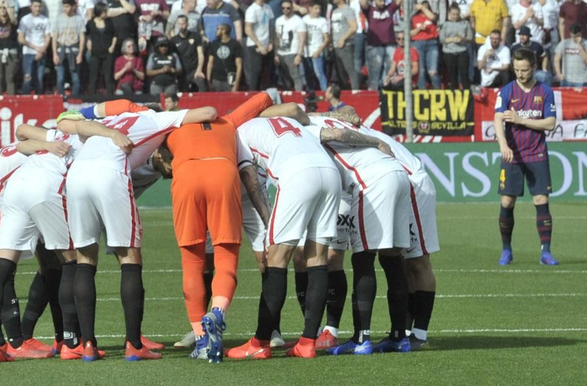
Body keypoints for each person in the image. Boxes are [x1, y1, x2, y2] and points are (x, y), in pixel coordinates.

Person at [64, 103, 218, 361]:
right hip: (110, 174)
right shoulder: (158, 119)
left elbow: (75, 124)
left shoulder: (116, 119)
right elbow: (209, 113)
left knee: (85, 259)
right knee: (130, 259)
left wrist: (108, 130)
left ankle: (87, 344)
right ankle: (134, 344)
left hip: (76, 176)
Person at [228, 113, 389, 359]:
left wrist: (269, 223)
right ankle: (307, 342)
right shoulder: (291, 124)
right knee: (318, 257)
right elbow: (337, 134)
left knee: (277, 257)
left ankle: (260, 342)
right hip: (330, 174)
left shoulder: (238, 133)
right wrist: (375, 141)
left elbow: (251, 181)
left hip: (297, 174)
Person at [149, 90, 283, 361]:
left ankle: (201, 340)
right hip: (223, 173)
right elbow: (264, 98)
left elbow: (141, 124)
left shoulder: (171, 125)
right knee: (225, 259)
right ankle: (218, 311)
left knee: (192, 263)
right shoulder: (229, 121)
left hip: (186, 175)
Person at [0, 121, 73, 363]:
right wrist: (49, 144)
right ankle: (14, 342)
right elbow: (26, 143)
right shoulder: (41, 147)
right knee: (2, 264)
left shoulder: (29, 147)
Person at [308, 112, 414, 355]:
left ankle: (361, 339)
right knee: (393, 258)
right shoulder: (332, 118)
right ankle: (399, 336)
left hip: (372, 180)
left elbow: (340, 135)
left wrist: (376, 142)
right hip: (397, 173)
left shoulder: (311, 127)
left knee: (363, 256)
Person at [494, 49, 559, 267]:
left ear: (533, 67)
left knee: (541, 200)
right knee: (507, 201)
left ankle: (546, 252)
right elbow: (497, 119)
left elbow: (550, 123)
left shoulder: (545, 92)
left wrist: (521, 120)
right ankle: (506, 250)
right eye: (517, 70)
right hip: (512, 155)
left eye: (524, 70)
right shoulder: (506, 91)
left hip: (537, 153)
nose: (520, 74)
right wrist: (503, 144)